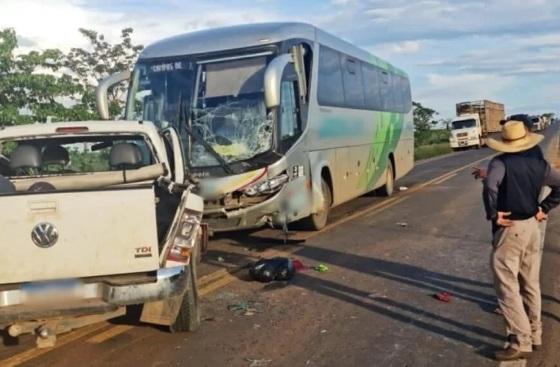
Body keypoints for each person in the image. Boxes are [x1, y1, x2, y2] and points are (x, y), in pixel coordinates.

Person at [483, 120, 560, 361]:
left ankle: (520, 340)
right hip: (532, 227)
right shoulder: (539, 164)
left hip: (511, 228)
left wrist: (494, 214)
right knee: (530, 283)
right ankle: (535, 334)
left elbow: (490, 187)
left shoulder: (500, 162)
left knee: (506, 286)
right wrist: (544, 207)